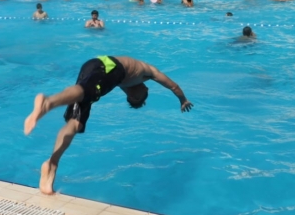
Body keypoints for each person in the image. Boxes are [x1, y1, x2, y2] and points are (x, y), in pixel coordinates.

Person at [23, 55, 193, 194]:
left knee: (76, 122)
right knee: (86, 92)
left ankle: (52, 163)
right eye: (139, 97)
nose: (143, 92)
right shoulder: (149, 72)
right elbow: (173, 86)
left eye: (135, 98)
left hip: (98, 67)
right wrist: (183, 100)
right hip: (107, 65)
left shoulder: (126, 82)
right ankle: (48, 102)